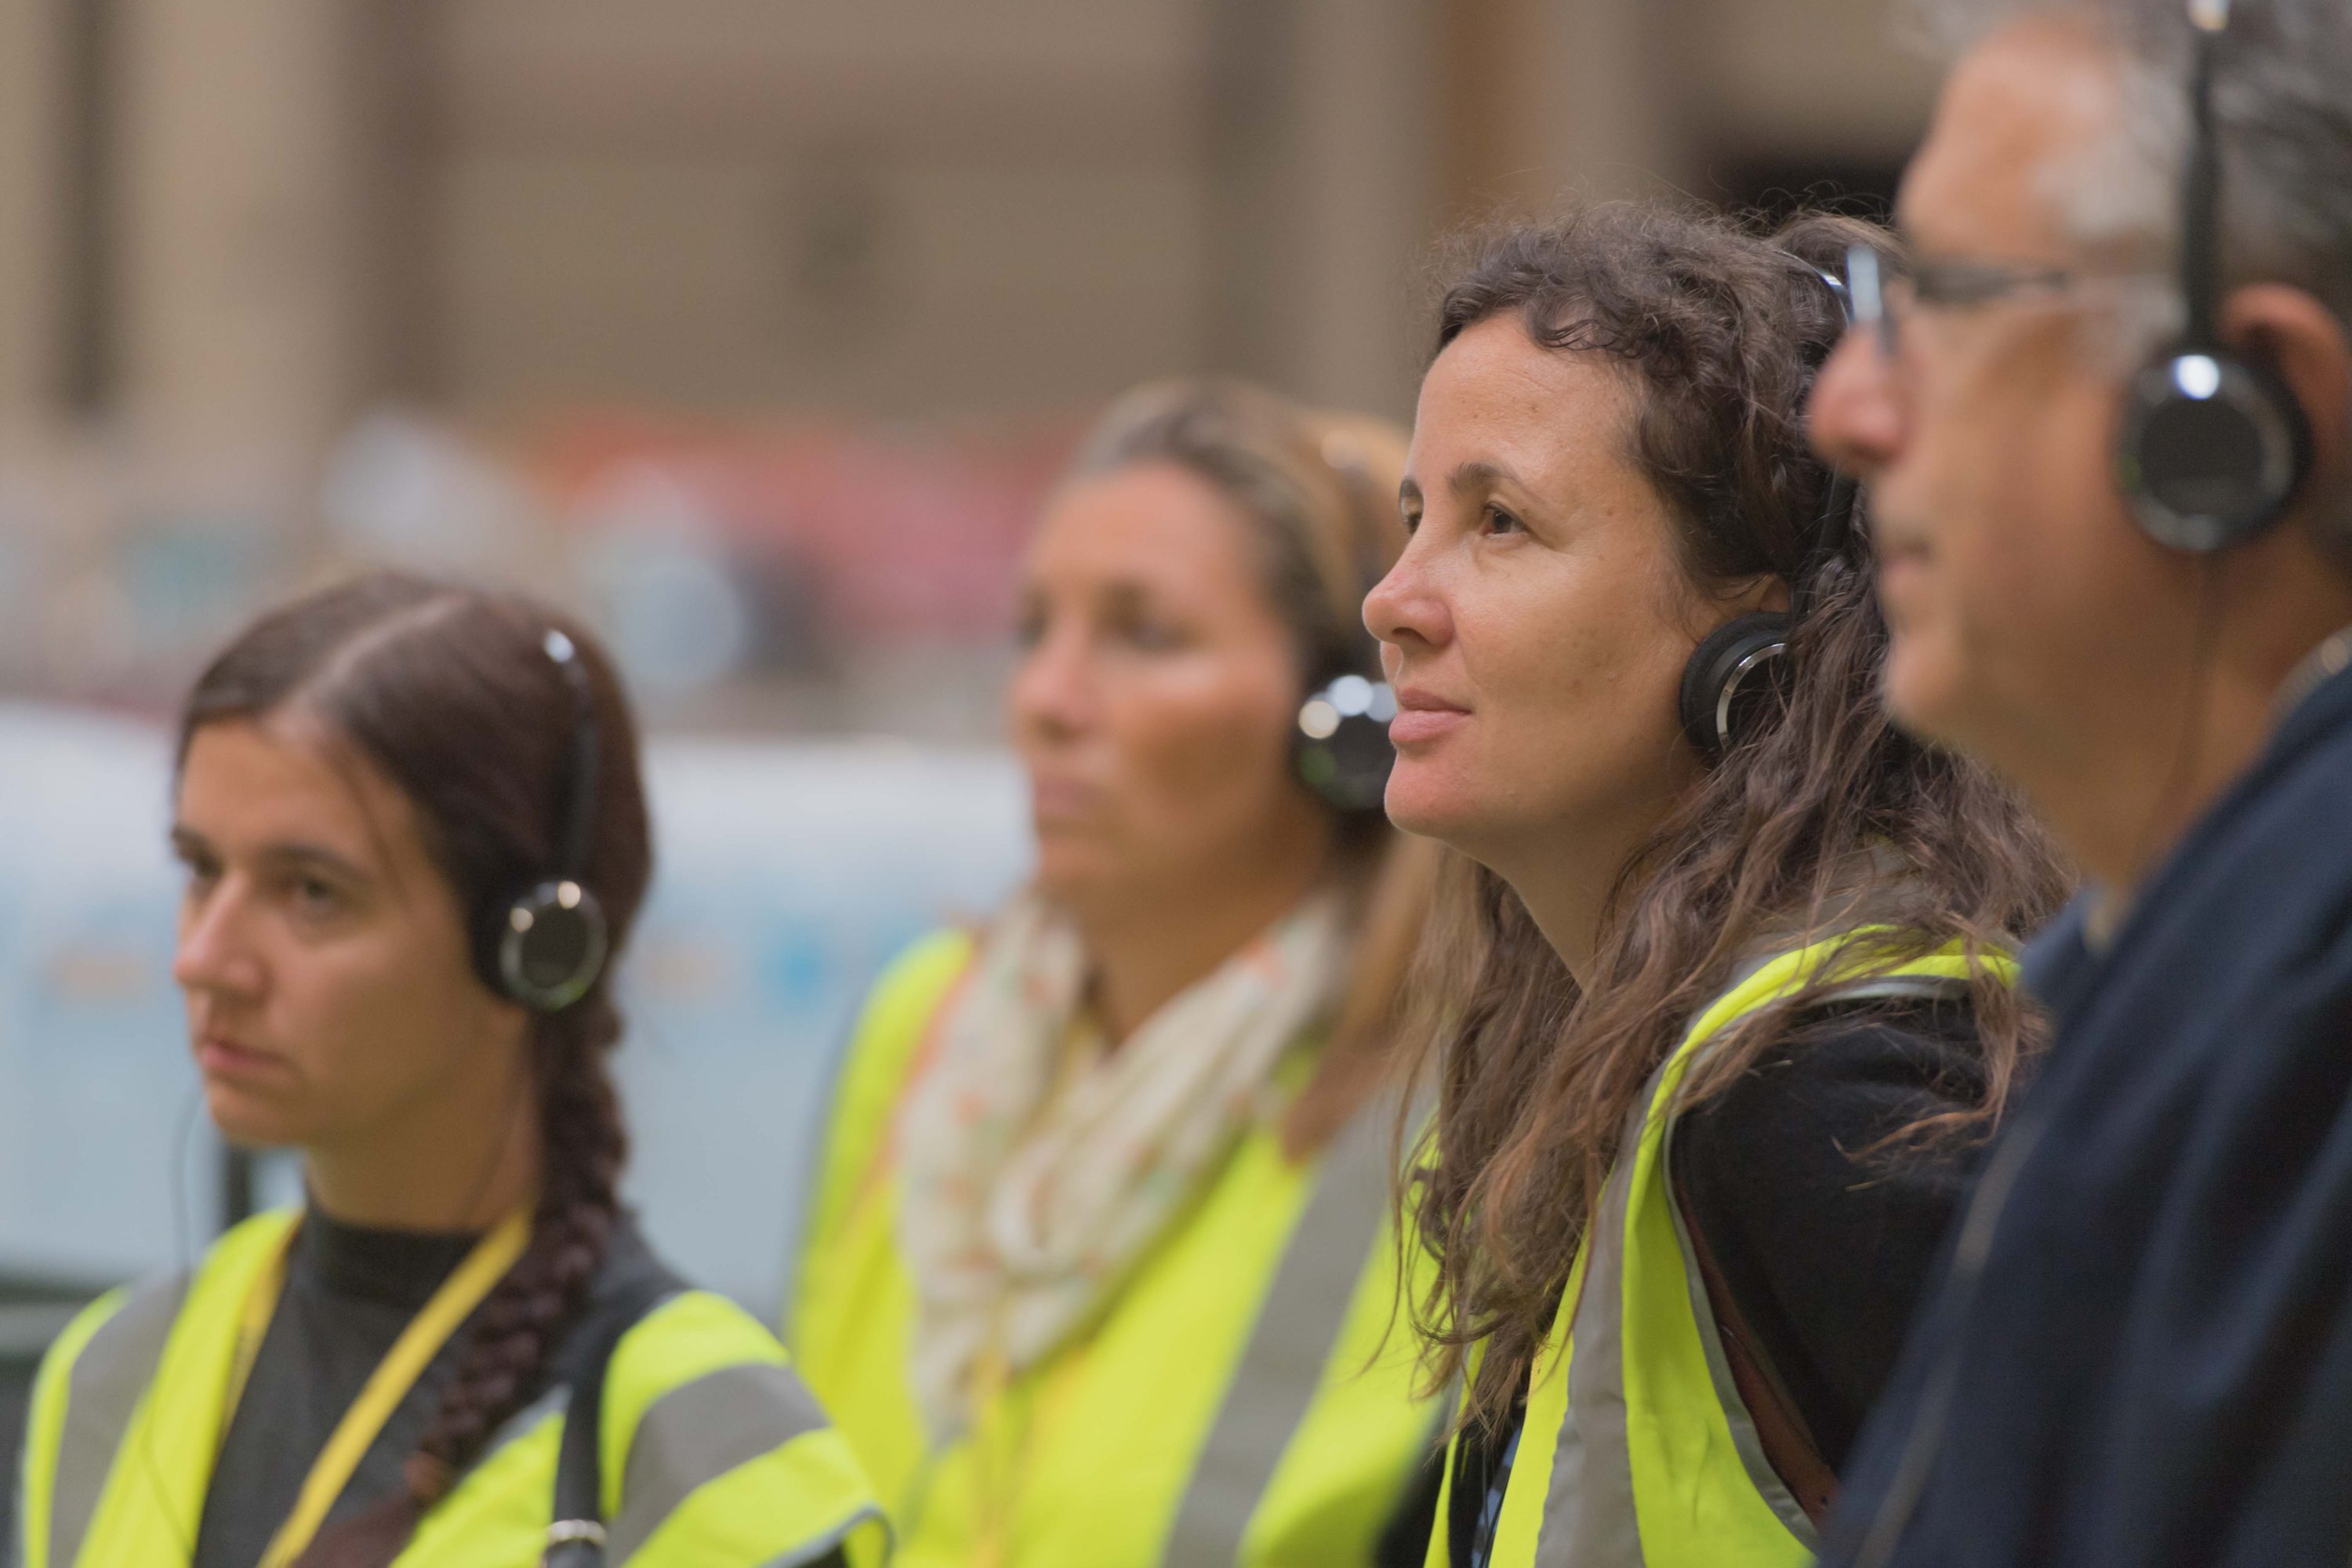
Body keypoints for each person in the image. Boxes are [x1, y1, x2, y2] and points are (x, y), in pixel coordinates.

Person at [1368, 202, 2069, 1568]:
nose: (1393, 598)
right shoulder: (1630, 1063)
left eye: (1498, 522)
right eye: (1413, 519)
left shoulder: (1835, 1103)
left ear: (1757, 635)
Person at [13, 573, 882, 1568]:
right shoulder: (116, 1373)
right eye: (202, 869)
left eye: (310, 892)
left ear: (534, 949)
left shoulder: (710, 1455)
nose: (205, 957)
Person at [1804, 1, 2352, 1563]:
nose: (1849, 404)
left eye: (1944, 301)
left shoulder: (2308, 1015)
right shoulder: (2188, 969)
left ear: (2237, 408)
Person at [786, 379, 1446, 1567]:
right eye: (1035, 631)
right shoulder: (922, 1020)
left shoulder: (1437, 1098)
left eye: (1145, 635)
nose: (1046, 700)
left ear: (1344, 718)